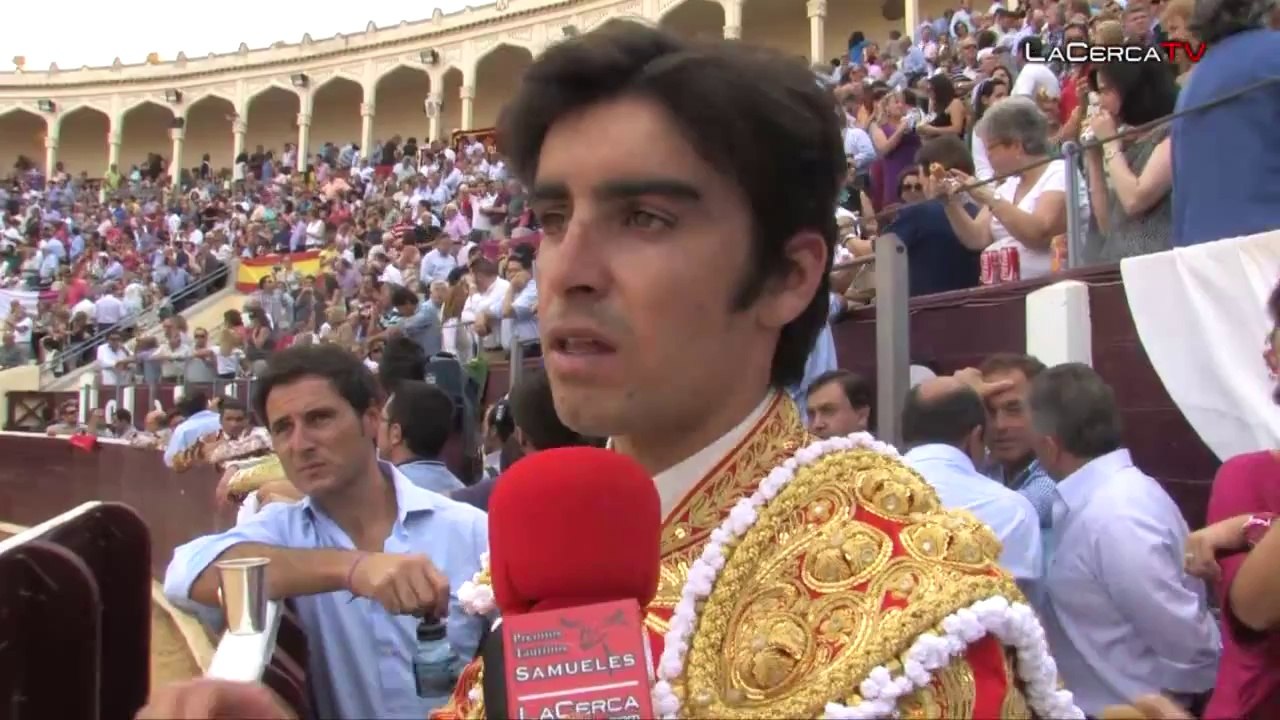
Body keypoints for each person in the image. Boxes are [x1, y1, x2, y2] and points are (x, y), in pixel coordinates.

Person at [141, 21, 1074, 720]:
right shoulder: (544, 543)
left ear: (790, 277)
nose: (566, 270)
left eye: (646, 220)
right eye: (551, 221)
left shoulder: (903, 605)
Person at [156, 345, 488, 719]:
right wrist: (353, 569)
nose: (300, 444)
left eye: (319, 419)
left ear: (372, 421)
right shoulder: (280, 531)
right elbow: (185, 573)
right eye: (283, 428)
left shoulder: (472, 531)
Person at [1029, 363, 1220, 716]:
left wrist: (1176, 706)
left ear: (1051, 446)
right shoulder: (1098, 502)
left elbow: (1183, 637)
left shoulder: (1117, 515)